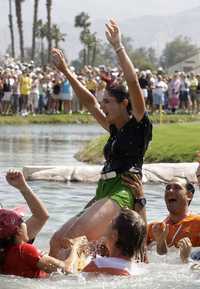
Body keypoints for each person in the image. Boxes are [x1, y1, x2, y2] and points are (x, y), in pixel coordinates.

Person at [50, 19, 152, 259]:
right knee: (57, 241)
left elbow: (133, 82)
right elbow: (89, 102)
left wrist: (118, 46)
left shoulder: (138, 124)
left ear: (124, 103)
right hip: (103, 189)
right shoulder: (114, 128)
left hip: (122, 190)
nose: (102, 106)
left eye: (108, 102)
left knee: (74, 239)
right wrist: (66, 71)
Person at [0, 208, 79, 278]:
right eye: (22, 221)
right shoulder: (24, 250)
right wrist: (76, 246)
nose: (25, 224)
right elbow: (67, 269)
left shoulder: (5, 252)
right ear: (18, 230)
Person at [82, 208, 146, 276]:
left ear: (114, 235)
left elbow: (74, 277)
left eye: (112, 221)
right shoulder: (137, 270)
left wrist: (74, 248)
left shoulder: (99, 264)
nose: (108, 222)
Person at [147, 177, 200, 255]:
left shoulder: (198, 224)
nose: (170, 191)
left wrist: (187, 259)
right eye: (167, 188)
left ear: (189, 195)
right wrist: (160, 243)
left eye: (177, 188)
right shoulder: (153, 229)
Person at [5, 170, 49, 243]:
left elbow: (41, 217)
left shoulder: (8, 235)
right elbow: (41, 217)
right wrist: (22, 187)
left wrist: (22, 187)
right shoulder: (10, 238)